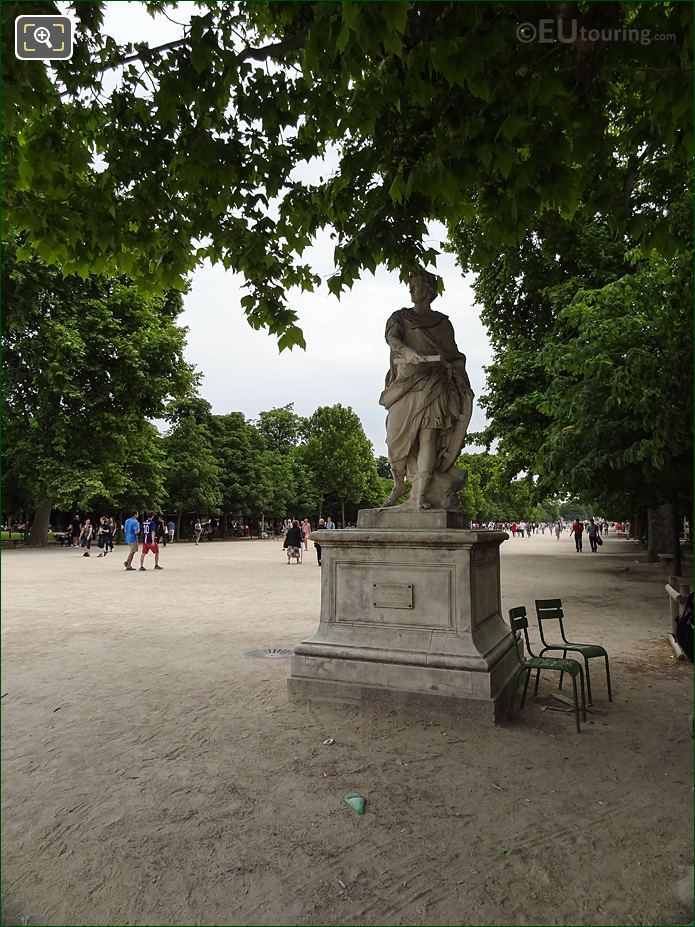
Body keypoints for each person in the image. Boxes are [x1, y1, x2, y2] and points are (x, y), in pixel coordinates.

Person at [380, 267, 474, 510]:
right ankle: (399, 483)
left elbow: (453, 356)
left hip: (433, 384)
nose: (411, 288)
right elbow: (392, 339)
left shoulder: (442, 323)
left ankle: (421, 493)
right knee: (394, 440)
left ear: (430, 290)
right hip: (404, 386)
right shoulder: (400, 317)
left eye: (416, 284)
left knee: (428, 436)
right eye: (410, 284)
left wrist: (447, 367)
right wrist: (407, 351)